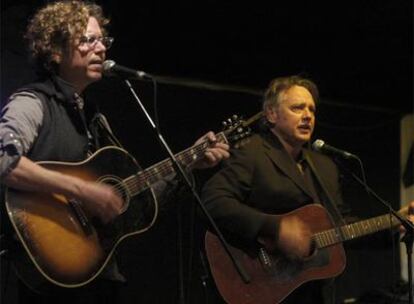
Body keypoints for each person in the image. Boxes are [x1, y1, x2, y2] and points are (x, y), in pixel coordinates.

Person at [0, 1, 229, 303]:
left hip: (99, 275)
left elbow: (131, 199)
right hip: (50, 279)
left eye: (102, 40)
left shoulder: (96, 120)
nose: (101, 49)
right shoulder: (32, 103)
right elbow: (4, 160)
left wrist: (189, 163)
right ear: (54, 50)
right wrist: (81, 190)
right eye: (87, 40)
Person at [201, 75, 414, 304]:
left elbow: (341, 228)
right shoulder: (251, 152)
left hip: (309, 293)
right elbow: (214, 200)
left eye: (311, 110)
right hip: (258, 283)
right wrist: (276, 228)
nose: (307, 116)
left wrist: (395, 223)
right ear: (271, 114)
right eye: (297, 108)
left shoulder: (325, 166)